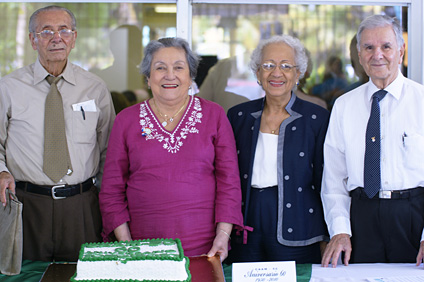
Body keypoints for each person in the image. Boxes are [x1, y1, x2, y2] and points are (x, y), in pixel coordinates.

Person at [99, 37, 243, 262]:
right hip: (142, 248)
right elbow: (111, 189)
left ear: (190, 76)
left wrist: (223, 236)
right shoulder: (125, 120)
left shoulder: (214, 115)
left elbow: (229, 182)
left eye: (178, 67)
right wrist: (127, 245)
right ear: (147, 78)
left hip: (205, 248)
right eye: (160, 68)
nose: (170, 75)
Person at [0, 6, 115, 262]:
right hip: (26, 205)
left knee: (83, 275)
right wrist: (1, 171)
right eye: (46, 31)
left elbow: (109, 149)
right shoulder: (8, 88)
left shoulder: (95, 88)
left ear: (74, 38)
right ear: (33, 39)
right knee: (26, 276)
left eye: (64, 30)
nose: (56, 37)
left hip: (82, 206)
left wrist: (107, 201)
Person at [321, 14, 424, 268]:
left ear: (401, 50)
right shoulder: (344, 106)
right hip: (361, 220)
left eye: (386, 46)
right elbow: (334, 179)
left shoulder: (422, 101)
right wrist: (340, 230)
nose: (377, 55)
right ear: (359, 53)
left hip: (413, 217)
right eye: (368, 47)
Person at [227, 35, 330, 264]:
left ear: (298, 74)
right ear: (257, 72)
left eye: (286, 66)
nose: (276, 73)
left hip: (300, 219)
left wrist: (327, 234)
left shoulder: (316, 118)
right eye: (268, 65)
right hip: (246, 218)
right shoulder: (238, 116)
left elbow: (326, 180)